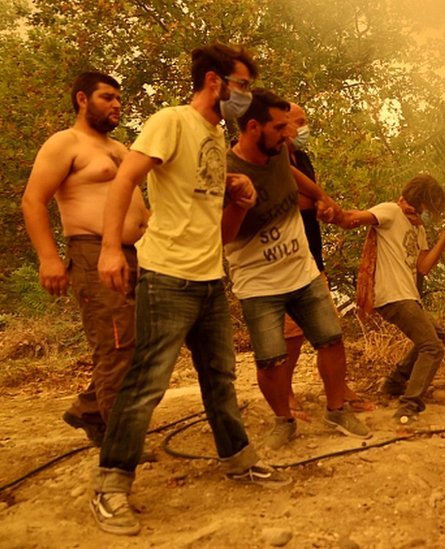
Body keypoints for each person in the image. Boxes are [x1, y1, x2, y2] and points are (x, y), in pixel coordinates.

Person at [92, 43, 289, 536]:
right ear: (214, 82)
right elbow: (124, 180)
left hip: (208, 279)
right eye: (241, 85)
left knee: (220, 378)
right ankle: (110, 485)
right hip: (166, 276)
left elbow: (219, 231)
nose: (246, 96)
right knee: (147, 384)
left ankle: (238, 460)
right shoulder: (172, 121)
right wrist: (111, 248)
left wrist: (240, 200)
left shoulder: (215, 139)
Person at [224, 89, 369, 448]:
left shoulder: (278, 156)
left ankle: (336, 409)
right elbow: (221, 237)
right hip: (258, 283)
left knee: (331, 339)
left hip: (303, 271)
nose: (287, 134)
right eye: (279, 128)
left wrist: (323, 200)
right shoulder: (226, 171)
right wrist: (241, 203)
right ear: (253, 127)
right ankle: (283, 420)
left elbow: (297, 178)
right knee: (270, 360)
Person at [21, 72, 150, 445]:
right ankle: (121, 444)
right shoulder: (66, 142)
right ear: (82, 99)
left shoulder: (120, 147)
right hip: (94, 252)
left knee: (139, 343)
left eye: (118, 99)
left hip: (135, 254)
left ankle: (90, 409)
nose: (116, 105)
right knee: (116, 345)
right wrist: (49, 259)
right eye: (107, 97)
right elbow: (33, 201)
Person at [334, 175, 445, 422]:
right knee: (432, 347)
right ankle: (409, 405)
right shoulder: (391, 211)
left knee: (437, 336)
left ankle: (395, 382)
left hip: (409, 296)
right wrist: (332, 211)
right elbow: (353, 218)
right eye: (429, 206)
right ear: (421, 201)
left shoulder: (418, 228)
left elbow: (423, 267)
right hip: (393, 295)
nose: (429, 213)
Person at [279, 101, 374, 420]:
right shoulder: (270, 157)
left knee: (329, 329)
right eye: (299, 121)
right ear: (281, 123)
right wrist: (320, 202)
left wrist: (325, 207)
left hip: (312, 254)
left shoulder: (303, 158)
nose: (304, 127)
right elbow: (288, 197)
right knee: (291, 336)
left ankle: (338, 388)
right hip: (284, 258)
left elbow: (310, 197)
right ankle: (285, 392)